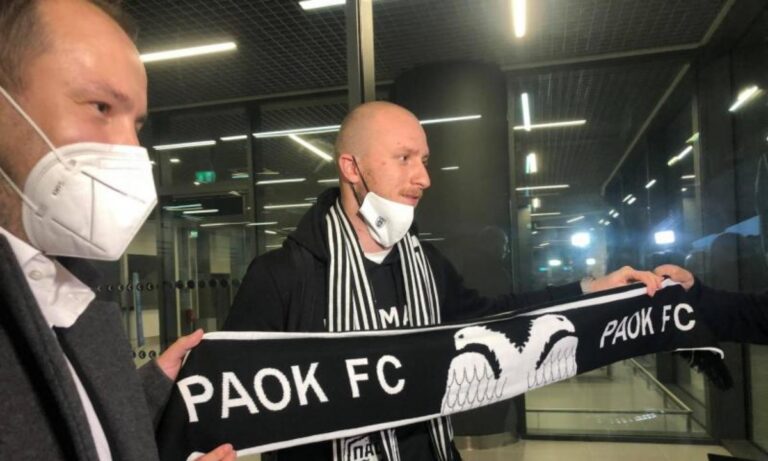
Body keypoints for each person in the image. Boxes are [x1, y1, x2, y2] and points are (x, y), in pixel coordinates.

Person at [224, 101, 663, 461]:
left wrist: (589, 291)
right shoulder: (282, 276)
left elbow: (495, 320)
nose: (424, 178)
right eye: (404, 158)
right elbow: (229, 400)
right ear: (351, 168)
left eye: (424, 161)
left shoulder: (426, 265)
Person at [0, 1, 234, 460]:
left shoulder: (74, 297)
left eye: (137, 124)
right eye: (101, 107)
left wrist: (149, 386)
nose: (132, 149)